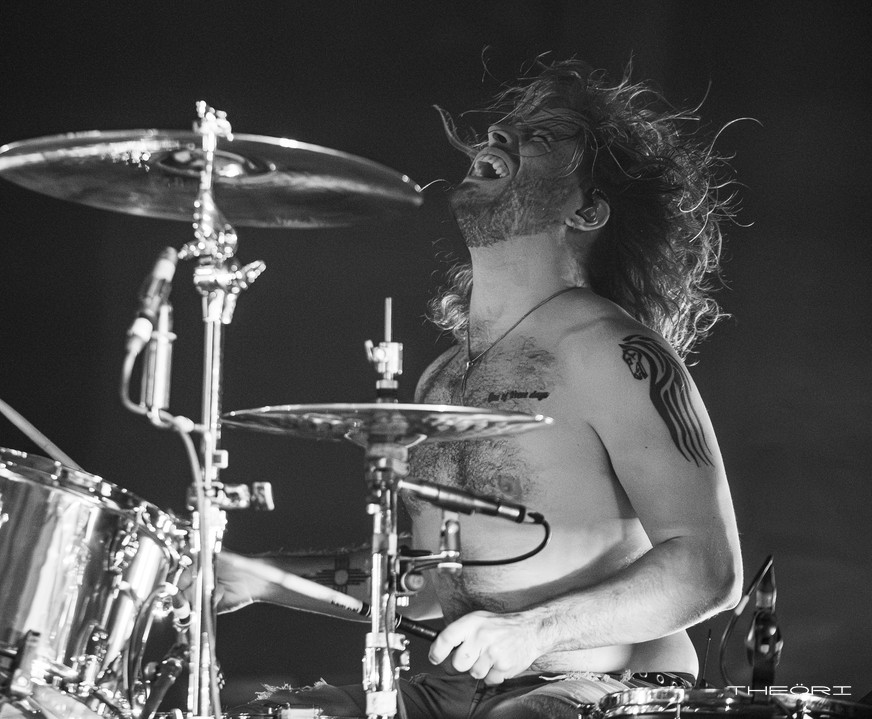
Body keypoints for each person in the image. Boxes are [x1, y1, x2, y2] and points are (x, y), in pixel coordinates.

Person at [217, 58, 743, 719]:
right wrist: (256, 577)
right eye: (506, 128)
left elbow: (710, 569)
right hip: (454, 690)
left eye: (541, 137)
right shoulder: (443, 375)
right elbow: (432, 584)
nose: (497, 134)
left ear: (587, 209)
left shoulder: (615, 352)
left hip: (594, 682)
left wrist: (532, 631)